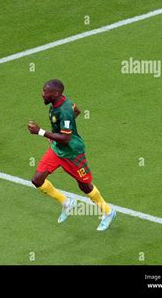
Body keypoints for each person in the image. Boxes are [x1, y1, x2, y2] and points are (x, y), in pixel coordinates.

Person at [28, 79, 116, 231]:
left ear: (55, 94)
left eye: (45, 92)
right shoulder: (60, 102)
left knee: (84, 185)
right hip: (57, 150)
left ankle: (108, 212)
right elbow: (77, 111)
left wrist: (40, 132)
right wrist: (56, 132)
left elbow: (66, 137)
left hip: (72, 153)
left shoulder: (64, 110)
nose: (42, 94)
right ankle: (67, 203)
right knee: (37, 180)